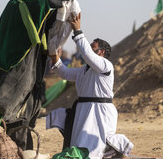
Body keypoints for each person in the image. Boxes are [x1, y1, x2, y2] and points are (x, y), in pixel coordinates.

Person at [0, 0, 72, 150]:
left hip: (28, 68)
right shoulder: (15, 8)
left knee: (23, 116)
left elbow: (41, 19)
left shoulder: (26, 10)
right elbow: (36, 6)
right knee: (10, 112)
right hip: (13, 68)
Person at [48, 12, 118, 159]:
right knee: (79, 146)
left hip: (99, 113)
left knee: (95, 149)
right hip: (83, 111)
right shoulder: (84, 70)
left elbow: (87, 54)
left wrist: (77, 30)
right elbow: (65, 73)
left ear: (101, 52)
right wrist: (54, 55)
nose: (89, 49)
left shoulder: (106, 65)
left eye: (93, 47)